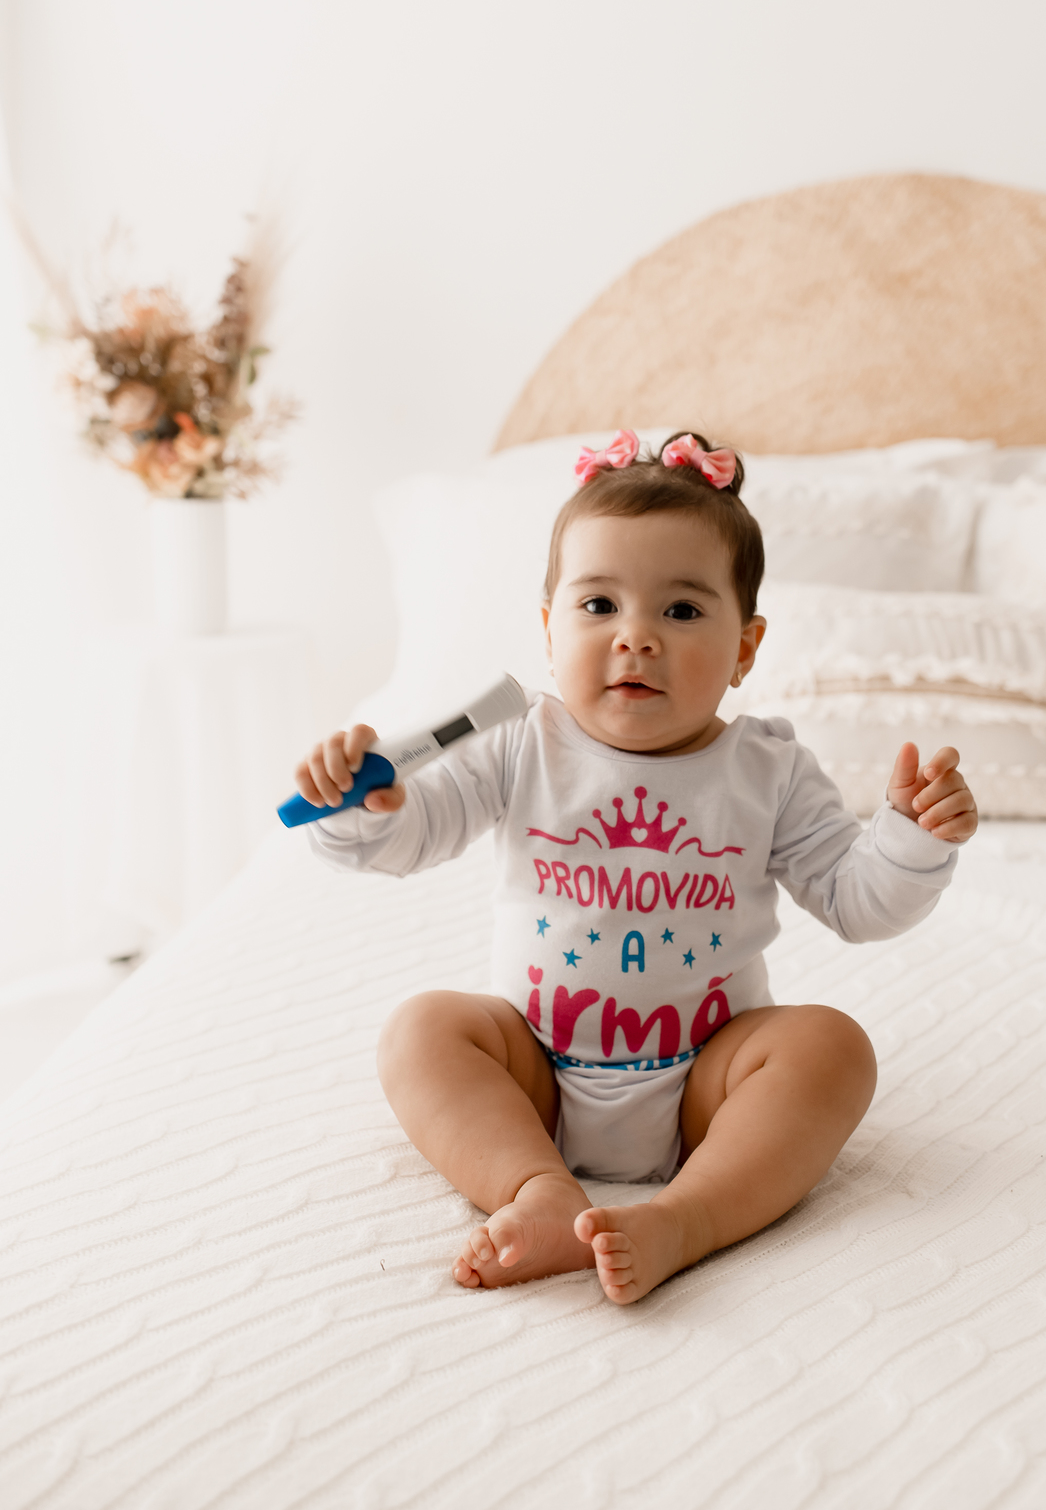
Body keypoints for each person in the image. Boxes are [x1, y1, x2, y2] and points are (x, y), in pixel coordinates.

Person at [299, 430, 978, 1304]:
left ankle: (684, 1219)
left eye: (683, 612)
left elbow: (859, 902)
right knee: (421, 1030)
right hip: (536, 1074)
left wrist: (912, 840)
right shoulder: (520, 744)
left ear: (745, 648)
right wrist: (360, 810)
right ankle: (537, 1188)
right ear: (549, 629)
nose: (636, 638)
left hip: (708, 1089)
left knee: (831, 1048)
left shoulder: (768, 770)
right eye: (598, 605)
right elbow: (413, 835)